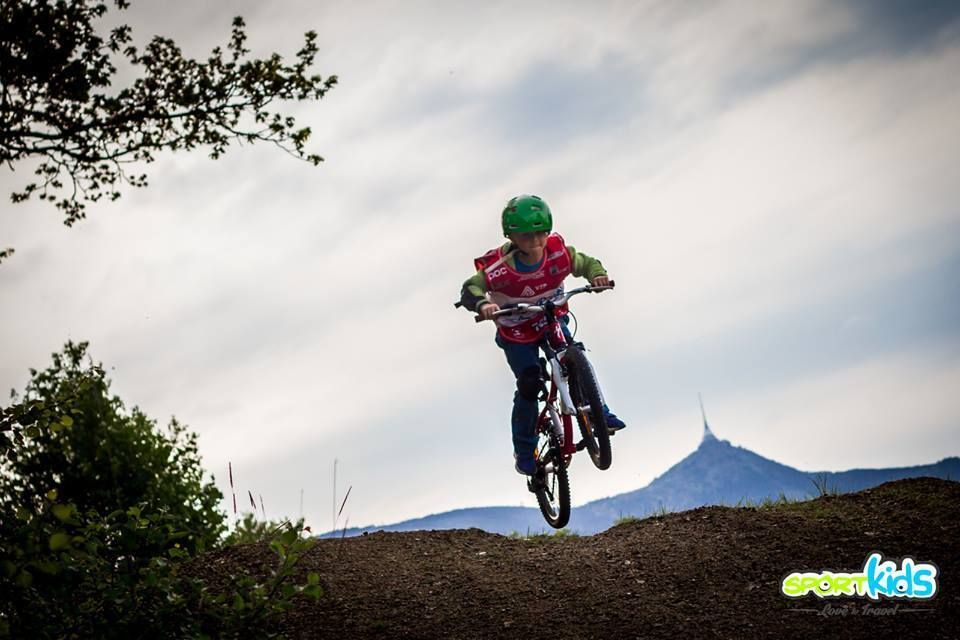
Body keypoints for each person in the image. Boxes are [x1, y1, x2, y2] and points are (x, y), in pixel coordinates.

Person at [459, 194, 626, 476]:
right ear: (512, 236)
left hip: (549, 318)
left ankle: (600, 414)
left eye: (540, 233)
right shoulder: (499, 270)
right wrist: (482, 304)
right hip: (516, 331)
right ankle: (525, 450)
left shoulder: (558, 254)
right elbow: (470, 288)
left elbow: (586, 263)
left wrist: (597, 275)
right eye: (526, 236)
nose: (535, 241)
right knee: (529, 382)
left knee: (575, 354)